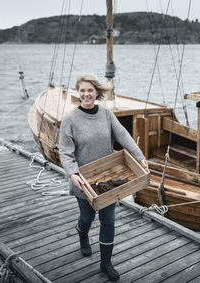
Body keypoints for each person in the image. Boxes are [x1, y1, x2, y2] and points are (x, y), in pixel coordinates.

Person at [59, 74, 147, 281]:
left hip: (108, 177)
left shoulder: (106, 114)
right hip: (83, 179)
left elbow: (123, 135)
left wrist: (140, 157)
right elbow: (65, 152)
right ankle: (83, 237)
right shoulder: (70, 119)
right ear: (78, 93)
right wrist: (72, 173)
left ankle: (105, 263)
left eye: (90, 90)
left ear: (96, 93)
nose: (86, 94)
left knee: (108, 220)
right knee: (87, 217)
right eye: (82, 90)